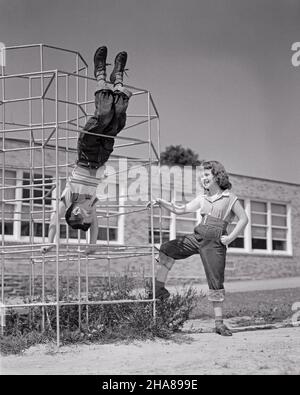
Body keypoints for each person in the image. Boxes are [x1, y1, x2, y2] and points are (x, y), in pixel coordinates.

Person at [41, 46, 132, 254]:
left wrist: (49, 242)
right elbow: (95, 227)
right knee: (117, 119)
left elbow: (55, 218)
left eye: (86, 215)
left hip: (86, 152)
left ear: (75, 212)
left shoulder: (70, 197)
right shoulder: (90, 202)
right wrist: (92, 246)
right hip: (102, 156)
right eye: (90, 216)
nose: (91, 215)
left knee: (103, 116)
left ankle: (99, 73)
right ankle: (117, 77)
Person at [147, 160, 249, 336]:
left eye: (207, 174)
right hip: (198, 236)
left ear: (217, 176)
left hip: (216, 243)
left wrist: (230, 237)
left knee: (215, 281)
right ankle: (159, 290)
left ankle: (219, 324)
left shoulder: (229, 198)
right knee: (167, 248)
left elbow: (244, 219)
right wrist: (161, 202)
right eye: (203, 175)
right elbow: (181, 209)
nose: (204, 178)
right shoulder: (202, 198)